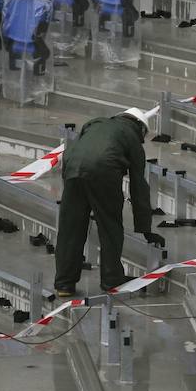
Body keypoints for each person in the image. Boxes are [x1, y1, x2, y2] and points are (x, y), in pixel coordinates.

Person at [54, 107, 165, 297]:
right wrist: (145, 228)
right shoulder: (132, 138)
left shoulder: (95, 122)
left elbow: (77, 150)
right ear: (139, 127)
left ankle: (64, 283)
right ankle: (111, 279)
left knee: (70, 227)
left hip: (72, 169)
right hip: (103, 171)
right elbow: (139, 187)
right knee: (110, 226)